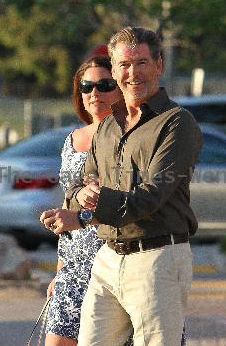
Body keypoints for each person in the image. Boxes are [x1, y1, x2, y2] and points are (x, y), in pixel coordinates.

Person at [41, 27, 200, 346]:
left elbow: (152, 195)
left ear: (158, 64)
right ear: (115, 69)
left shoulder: (176, 123)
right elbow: (78, 188)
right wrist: (79, 197)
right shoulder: (108, 127)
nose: (133, 73)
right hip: (109, 258)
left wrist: (86, 216)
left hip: (156, 256)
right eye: (124, 65)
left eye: (141, 62)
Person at [42, 55, 125, 346]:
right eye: (86, 86)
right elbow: (68, 206)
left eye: (105, 85)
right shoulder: (72, 139)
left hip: (114, 258)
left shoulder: (130, 136)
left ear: (120, 89)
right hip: (74, 266)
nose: (94, 93)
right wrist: (60, 272)